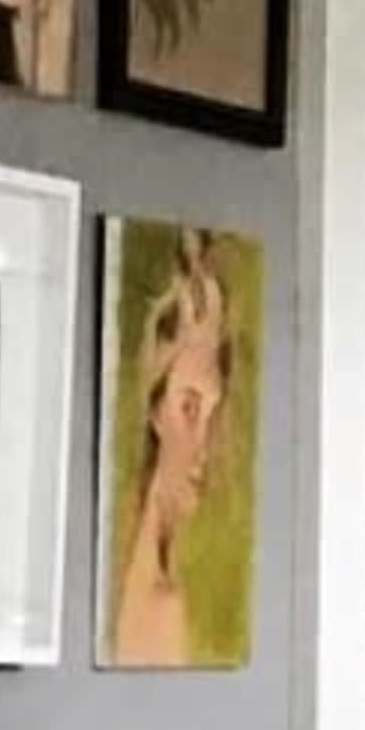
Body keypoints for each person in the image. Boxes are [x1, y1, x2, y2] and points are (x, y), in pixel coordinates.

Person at [108, 236, 235, 669]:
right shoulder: (159, 604)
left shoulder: (155, 583)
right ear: (155, 410)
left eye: (211, 413)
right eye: (189, 407)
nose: (202, 445)